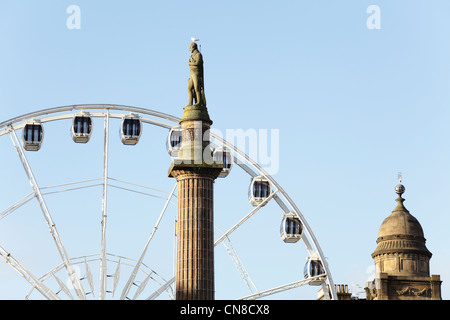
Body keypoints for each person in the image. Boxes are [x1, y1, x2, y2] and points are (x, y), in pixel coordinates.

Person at [187, 42, 206, 106]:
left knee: (196, 88)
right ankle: (190, 103)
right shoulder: (192, 56)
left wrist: (190, 64)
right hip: (192, 73)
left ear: (193, 47)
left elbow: (197, 63)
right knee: (189, 88)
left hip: (196, 73)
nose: (189, 49)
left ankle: (199, 101)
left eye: (190, 48)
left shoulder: (198, 55)